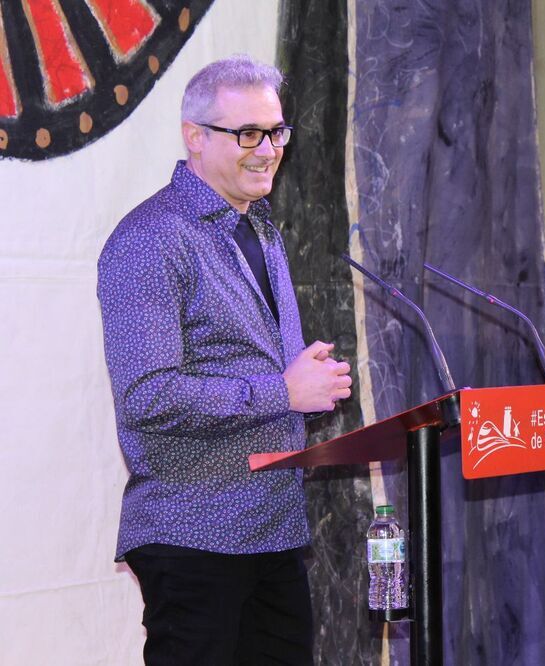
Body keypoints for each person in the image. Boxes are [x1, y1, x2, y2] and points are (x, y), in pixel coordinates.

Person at [97, 55, 350, 665]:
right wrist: (281, 392)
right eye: (247, 134)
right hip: (195, 534)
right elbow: (148, 396)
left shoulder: (259, 228)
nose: (267, 150)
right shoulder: (149, 241)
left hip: (274, 531)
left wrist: (303, 381)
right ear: (194, 137)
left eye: (277, 132)